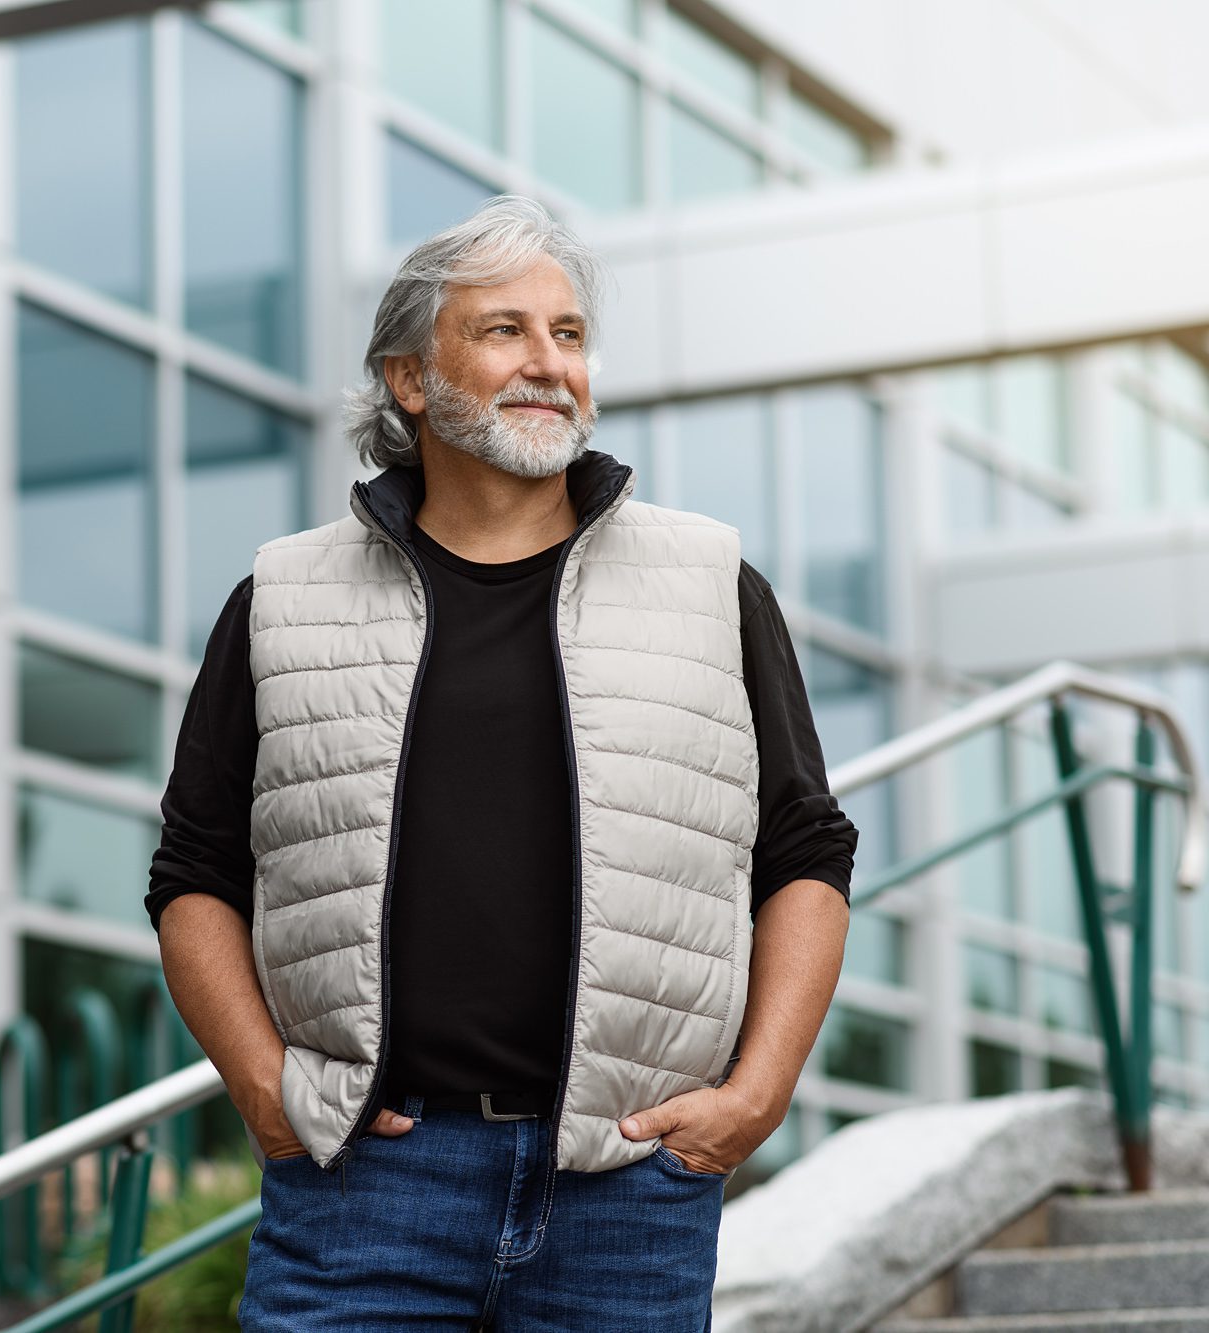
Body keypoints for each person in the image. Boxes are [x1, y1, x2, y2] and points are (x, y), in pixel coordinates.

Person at [144, 194, 857, 1331]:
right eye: (504, 331)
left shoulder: (710, 580)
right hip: (363, 1187)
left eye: (567, 334)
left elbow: (806, 854)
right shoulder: (282, 596)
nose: (547, 363)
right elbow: (193, 873)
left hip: (628, 1184)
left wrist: (755, 1095)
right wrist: (264, 1087)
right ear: (409, 380)